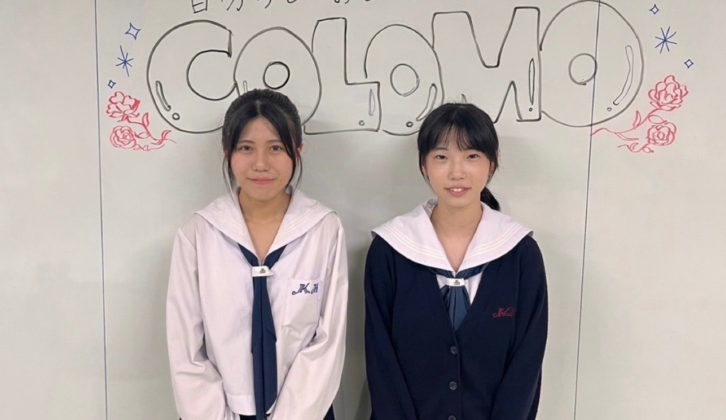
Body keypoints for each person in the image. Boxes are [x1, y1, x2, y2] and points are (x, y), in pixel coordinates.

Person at [167, 89, 348, 420]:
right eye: (246, 148)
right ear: (227, 152)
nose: (260, 164)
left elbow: (328, 343)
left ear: (297, 151)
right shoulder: (199, 234)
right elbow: (185, 350)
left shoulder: (323, 229)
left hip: (305, 413)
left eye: (275, 148)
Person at [364, 102, 548, 420]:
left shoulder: (520, 255)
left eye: (472, 156)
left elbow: (526, 365)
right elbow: (381, 364)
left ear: (493, 163)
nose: (457, 172)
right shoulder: (390, 251)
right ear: (424, 165)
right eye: (441, 157)